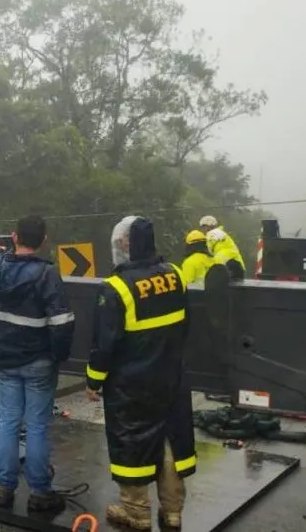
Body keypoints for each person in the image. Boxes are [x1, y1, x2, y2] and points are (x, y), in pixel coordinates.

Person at [85, 215, 195, 530]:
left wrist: (94, 380)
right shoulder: (175, 275)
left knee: (132, 441)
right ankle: (172, 511)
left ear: (125, 244)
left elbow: (103, 345)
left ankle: (136, 511)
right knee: (170, 440)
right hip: (171, 377)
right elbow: (185, 326)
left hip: (131, 386)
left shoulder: (117, 287)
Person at [0, 215, 76, 513]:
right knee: (36, 425)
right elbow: (61, 322)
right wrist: (57, 356)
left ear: (14, 236)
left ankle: (3, 488)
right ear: (44, 240)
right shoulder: (46, 274)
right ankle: (39, 492)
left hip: (5, 360)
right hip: (38, 362)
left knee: (8, 422)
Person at [198, 215, 245, 279]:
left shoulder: (211, 233)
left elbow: (207, 250)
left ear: (207, 226)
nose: (202, 230)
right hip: (238, 266)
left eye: (203, 227)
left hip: (223, 262)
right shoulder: (222, 233)